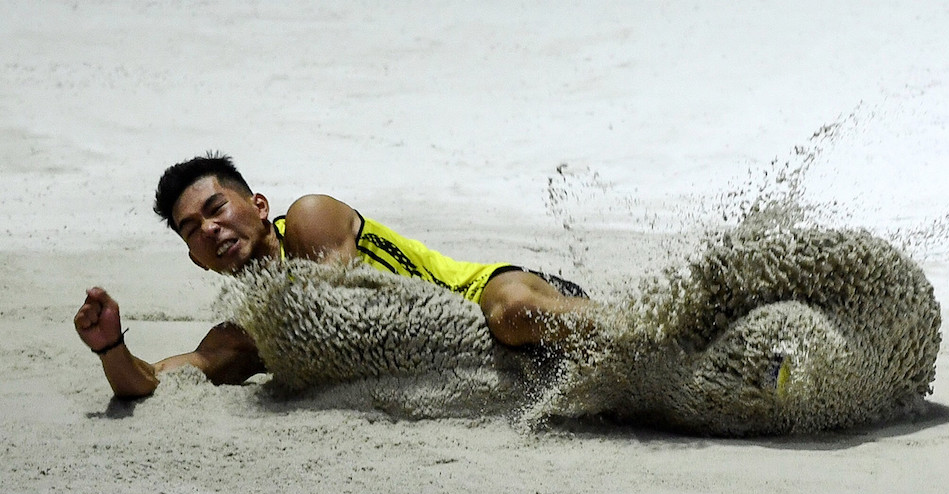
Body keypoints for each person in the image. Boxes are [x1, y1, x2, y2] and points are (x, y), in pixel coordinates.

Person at [74, 153, 594, 398]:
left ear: (258, 206)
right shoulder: (250, 331)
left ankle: (657, 325)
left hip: (487, 294)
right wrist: (110, 348)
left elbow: (334, 310)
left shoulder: (309, 218)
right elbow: (157, 380)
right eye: (192, 230)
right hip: (495, 367)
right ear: (196, 259)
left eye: (217, 208)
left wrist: (264, 344)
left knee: (512, 315)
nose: (210, 229)